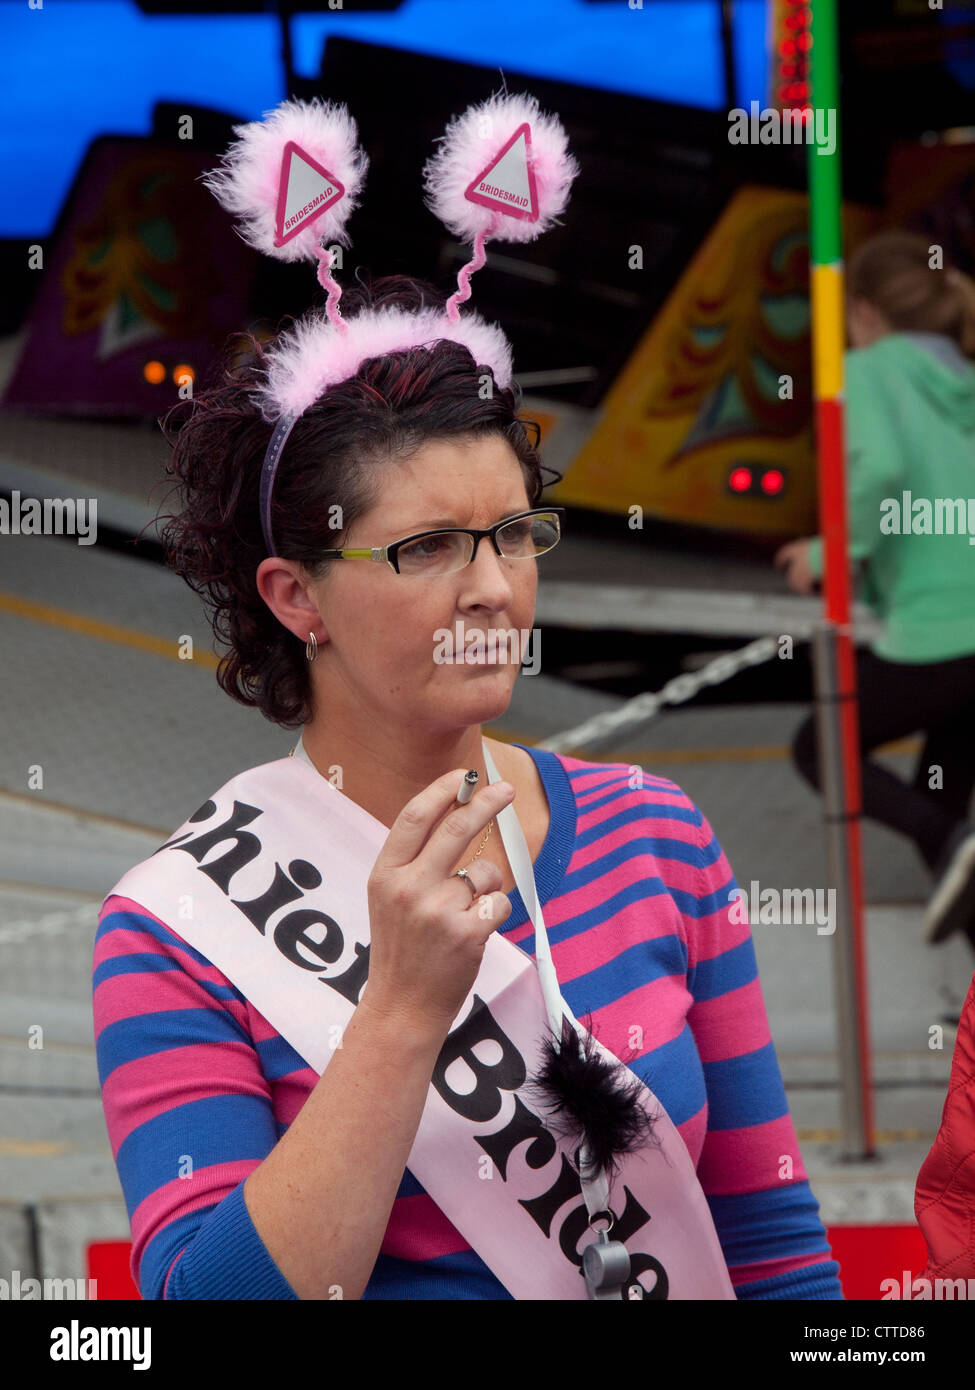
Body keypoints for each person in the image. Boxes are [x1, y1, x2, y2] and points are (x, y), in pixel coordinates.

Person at [93, 96, 842, 1301]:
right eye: (427, 547)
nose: (494, 587)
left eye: (513, 534)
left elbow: (769, 1241)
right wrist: (397, 1016)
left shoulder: (659, 836)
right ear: (295, 597)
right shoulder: (177, 930)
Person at [775, 231, 975, 953]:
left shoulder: (864, 371)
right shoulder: (966, 380)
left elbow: (881, 466)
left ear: (861, 311)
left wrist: (833, 551)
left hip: (940, 628)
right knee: (941, 807)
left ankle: (953, 842)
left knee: (819, 746)